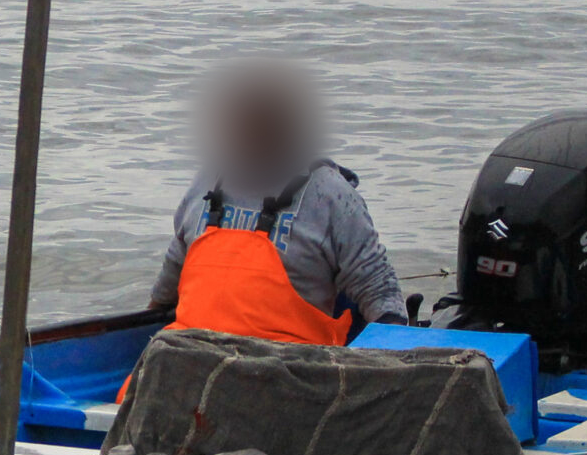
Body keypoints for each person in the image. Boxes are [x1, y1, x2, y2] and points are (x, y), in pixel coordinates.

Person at [146, 58, 406, 342]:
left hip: (287, 370)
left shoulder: (331, 196)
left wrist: (394, 354)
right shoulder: (207, 181)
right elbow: (173, 271)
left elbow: (381, 295)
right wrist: (153, 313)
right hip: (188, 357)